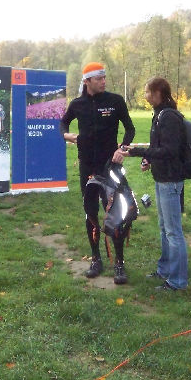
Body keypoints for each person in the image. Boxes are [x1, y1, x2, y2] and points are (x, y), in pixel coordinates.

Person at [61, 62, 135, 284]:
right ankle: (96, 259)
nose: (104, 81)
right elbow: (63, 124)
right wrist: (67, 135)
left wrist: (122, 148)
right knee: (90, 212)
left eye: (104, 77)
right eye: (99, 78)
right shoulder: (77, 104)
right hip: (87, 167)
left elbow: (130, 128)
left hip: (110, 166)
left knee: (116, 212)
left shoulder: (115, 101)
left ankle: (119, 263)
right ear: (87, 81)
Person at [116, 76, 188, 291]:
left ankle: (177, 281)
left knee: (173, 232)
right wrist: (149, 158)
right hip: (162, 178)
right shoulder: (159, 115)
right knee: (164, 228)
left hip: (170, 180)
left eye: (148, 92)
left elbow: (171, 151)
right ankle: (164, 270)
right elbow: (160, 148)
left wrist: (138, 152)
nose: (145, 96)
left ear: (158, 93)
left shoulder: (169, 117)